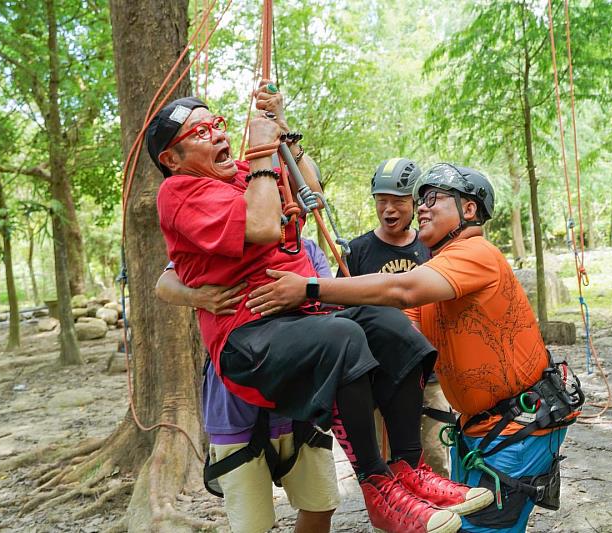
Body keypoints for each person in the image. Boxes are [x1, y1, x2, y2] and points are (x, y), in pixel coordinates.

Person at [148, 85, 492, 533]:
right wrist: (260, 150)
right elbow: (263, 226)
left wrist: (283, 133)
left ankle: (408, 467)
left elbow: (309, 191)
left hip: (299, 332)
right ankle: (375, 482)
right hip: (248, 342)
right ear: (172, 160)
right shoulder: (181, 192)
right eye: (200, 132)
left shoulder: (242, 175)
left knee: (389, 325)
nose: (216, 134)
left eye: (217, 124)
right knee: (342, 336)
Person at [246, 163, 582, 532]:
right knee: (464, 522)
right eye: (420, 200)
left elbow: (400, 289)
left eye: (434, 199)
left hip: (515, 428)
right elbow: (396, 327)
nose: (421, 207)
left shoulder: (476, 253)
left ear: (468, 210)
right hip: (481, 429)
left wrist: (310, 287)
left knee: (483, 528)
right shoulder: (441, 274)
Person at [156, 238, 336, 533]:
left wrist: (300, 293)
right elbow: (166, 283)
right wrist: (201, 297)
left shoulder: (304, 247)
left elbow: (329, 298)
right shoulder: (216, 245)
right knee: (251, 525)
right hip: (234, 406)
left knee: (321, 505)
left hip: (299, 402)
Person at [344, 157, 451, 478]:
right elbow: (344, 313)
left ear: (415, 203)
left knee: (434, 457)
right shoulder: (357, 251)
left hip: (428, 375)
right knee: (386, 463)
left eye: (398, 202)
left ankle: (441, 524)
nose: (389, 210)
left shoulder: (432, 247)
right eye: (381, 202)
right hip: (379, 377)